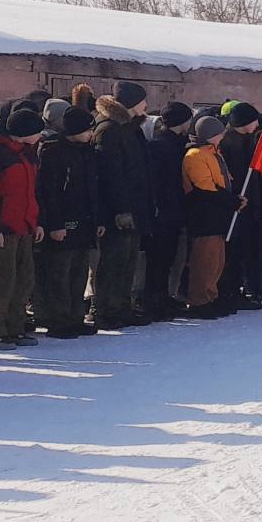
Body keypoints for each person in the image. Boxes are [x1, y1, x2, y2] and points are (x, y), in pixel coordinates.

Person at [0, 108, 45, 349]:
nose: (40, 136)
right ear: (23, 133)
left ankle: (15, 328)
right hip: (1, 228)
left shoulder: (26, 153)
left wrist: (36, 221)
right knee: (0, 282)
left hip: (24, 225)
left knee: (23, 279)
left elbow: (31, 192)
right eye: (37, 132)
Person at [34, 106, 101, 339]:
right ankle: (58, 320)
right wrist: (55, 223)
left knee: (78, 272)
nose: (91, 134)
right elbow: (49, 192)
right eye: (88, 130)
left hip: (84, 221)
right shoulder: (53, 153)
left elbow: (93, 189)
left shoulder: (87, 152)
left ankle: (75, 317)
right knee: (59, 274)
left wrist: (97, 220)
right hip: (62, 221)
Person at [92, 81, 154, 328]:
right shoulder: (108, 129)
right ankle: (105, 310)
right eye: (142, 100)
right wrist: (121, 209)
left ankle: (121, 307)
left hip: (135, 205)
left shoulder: (131, 128)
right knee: (113, 261)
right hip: (117, 210)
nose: (146, 105)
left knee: (128, 261)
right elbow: (110, 175)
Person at [182, 116, 239, 319]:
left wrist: (234, 199)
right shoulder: (195, 155)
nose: (223, 135)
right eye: (219, 132)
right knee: (204, 260)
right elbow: (204, 187)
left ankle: (211, 297)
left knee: (216, 260)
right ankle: (200, 301)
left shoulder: (214, 153)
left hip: (217, 214)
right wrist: (230, 200)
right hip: (204, 214)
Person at [143, 102, 194, 321]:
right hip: (163, 212)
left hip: (173, 210)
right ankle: (154, 301)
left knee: (170, 258)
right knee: (159, 261)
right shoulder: (159, 146)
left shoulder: (175, 143)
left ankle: (164, 297)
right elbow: (157, 183)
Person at [218, 103, 262, 311]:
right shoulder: (229, 143)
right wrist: (235, 198)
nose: (257, 124)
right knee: (232, 252)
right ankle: (228, 291)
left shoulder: (249, 141)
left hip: (249, 204)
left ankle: (240, 289)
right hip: (235, 205)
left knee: (245, 251)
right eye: (254, 121)